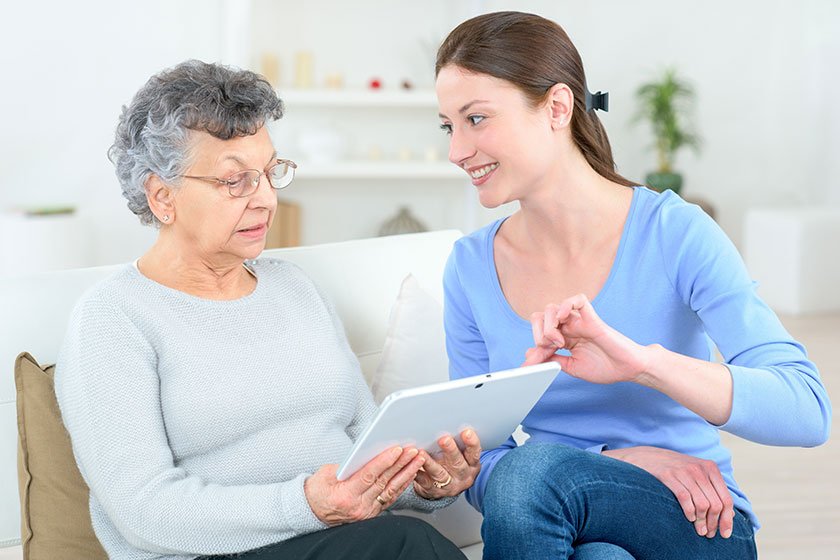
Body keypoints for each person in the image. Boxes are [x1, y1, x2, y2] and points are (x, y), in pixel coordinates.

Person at [435, 11, 831, 560]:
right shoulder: (470, 267)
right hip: (559, 524)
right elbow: (484, 465)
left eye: (476, 119)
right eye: (447, 125)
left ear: (556, 108)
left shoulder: (674, 232)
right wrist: (608, 463)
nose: (456, 150)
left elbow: (806, 410)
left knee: (531, 475)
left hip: (695, 520)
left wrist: (643, 364)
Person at [55, 60, 480, 560]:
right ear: (162, 196)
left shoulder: (294, 288)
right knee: (402, 543)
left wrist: (426, 484)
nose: (264, 200)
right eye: (235, 180)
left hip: (340, 538)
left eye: (269, 172)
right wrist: (306, 504)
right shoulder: (112, 318)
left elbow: (363, 447)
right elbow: (143, 512)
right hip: (211, 554)